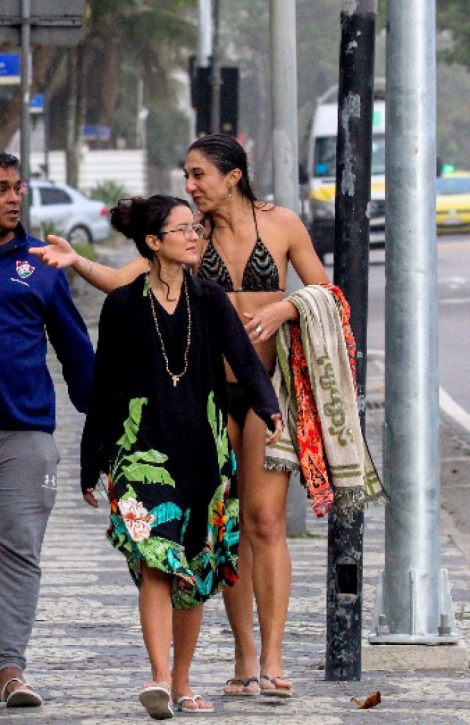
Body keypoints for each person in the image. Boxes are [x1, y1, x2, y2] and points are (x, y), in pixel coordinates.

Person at [33, 134, 328, 698]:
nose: (190, 187)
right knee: (229, 527)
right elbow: (129, 285)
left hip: (265, 390)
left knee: (266, 524)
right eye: (186, 178)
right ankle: (242, 659)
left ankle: (273, 656)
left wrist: (286, 304)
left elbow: (324, 291)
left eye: (198, 175)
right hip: (209, 398)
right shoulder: (188, 235)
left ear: (233, 175)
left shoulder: (282, 224)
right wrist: (77, 262)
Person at [79, 194, 284, 719]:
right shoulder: (124, 304)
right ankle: (159, 677)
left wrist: (268, 406)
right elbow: (104, 389)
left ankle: (183, 680)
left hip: (203, 449)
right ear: (154, 243)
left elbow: (243, 356)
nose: (195, 235)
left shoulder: (209, 299)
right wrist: (91, 459)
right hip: (141, 452)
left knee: (192, 567)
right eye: (183, 229)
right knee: (156, 559)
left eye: (196, 227)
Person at [0, 152, 95, 708]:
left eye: (18, 189)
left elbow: (77, 353)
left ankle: (11, 667)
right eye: (1, 189)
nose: (13, 199)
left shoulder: (41, 262)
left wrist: (99, 432)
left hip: (26, 428)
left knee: (18, 545)